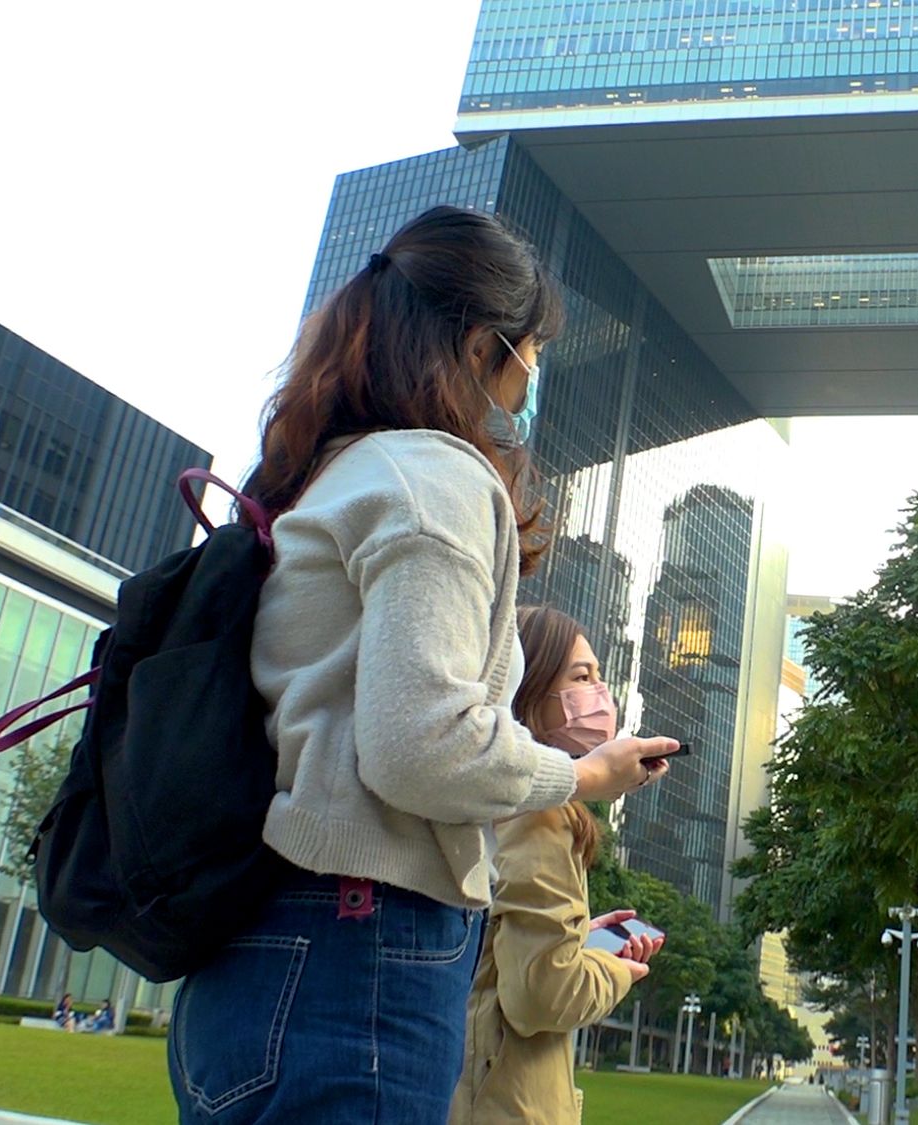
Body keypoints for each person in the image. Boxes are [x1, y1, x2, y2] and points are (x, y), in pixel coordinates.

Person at [167, 206, 677, 1125]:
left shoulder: (333, 470)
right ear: (485, 346)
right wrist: (583, 774)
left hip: (264, 944)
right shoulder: (436, 479)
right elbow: (420, 747)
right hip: (358, 951)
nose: (532, 378)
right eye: (533, 351)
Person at [452, 607, 664, 1125]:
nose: (601, 694)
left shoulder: (487, 799)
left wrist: (574, 938)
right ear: (526, 692)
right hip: (504, 1105)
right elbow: (544, 996)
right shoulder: (543, 813)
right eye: (581, 677)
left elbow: (497, 955)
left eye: (600, 677)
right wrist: (616, 969)